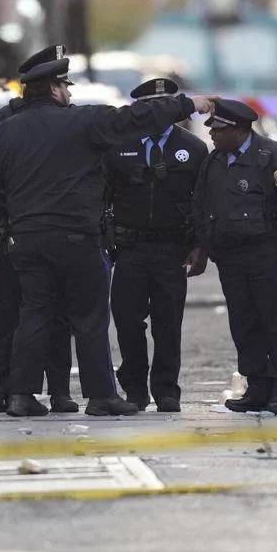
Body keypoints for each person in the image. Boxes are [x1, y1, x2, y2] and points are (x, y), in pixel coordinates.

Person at [0, 56, 215, 417]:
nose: (69, 92)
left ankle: (20, 395)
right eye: (65, 86)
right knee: (89, 316)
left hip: (27, 238)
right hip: (75, 237)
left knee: (34, 314)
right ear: (54, 89)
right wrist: (187, 104)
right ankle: (101, 395)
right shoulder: (83, 122)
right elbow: (134, 118)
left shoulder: (5, 129)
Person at [0, 45, 77, 414]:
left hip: (47, 231)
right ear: (47, 86)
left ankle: (59, 391)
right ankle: (6, 389)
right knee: (12, 315)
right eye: (62, 84)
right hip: (14, 230)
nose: (67, 92)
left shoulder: (69, 119)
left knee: (58, 315)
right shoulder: (5, 120)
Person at [192, 99, 277, 414]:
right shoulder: (214, 162)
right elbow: (202, 206)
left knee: (276, 322)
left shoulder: (272, 157)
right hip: (232, 258)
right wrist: (209, 246)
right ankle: (257, 387)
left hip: (267, 255)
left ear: (240, 129)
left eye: (218, 130)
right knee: (244, 324)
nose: (212, 135)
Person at [105, 78, 209, 413]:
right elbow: (102, 195)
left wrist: (200, 246)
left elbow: (203, 202)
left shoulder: (192, 148)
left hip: (172, 249)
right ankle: (134, 388)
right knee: (127, 320)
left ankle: (167, 390)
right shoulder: (120, 144)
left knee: (168, 323)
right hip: (130, 249)